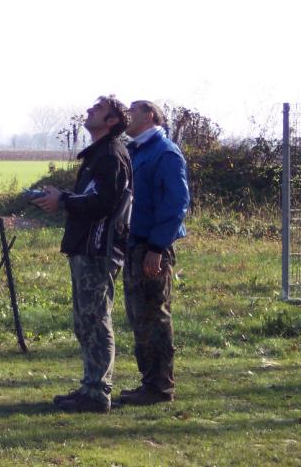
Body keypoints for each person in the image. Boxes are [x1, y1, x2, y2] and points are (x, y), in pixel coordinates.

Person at [33, 95, 132, 413]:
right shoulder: (98, 154)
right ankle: (90, 386)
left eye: (98, 109)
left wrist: (64, 200)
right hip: (86, 247)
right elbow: (91, 197)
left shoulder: (110, 155)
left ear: (112, 122)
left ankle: (98, 393)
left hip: (98, 249)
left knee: (95, 320)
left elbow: (104, 203)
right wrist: (63, 197)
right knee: (85, 321)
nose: (89, 111)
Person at [119, 100, 190, 406]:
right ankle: (149, 382)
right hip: (134, 245)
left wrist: (157, 248)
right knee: (139, 316)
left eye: (132, 111)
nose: (126, 116)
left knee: (154, 316)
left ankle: (160, 386)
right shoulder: (135, 151)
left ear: (149, 115)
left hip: (152, 247)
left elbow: (176, 203)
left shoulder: (165, 152)